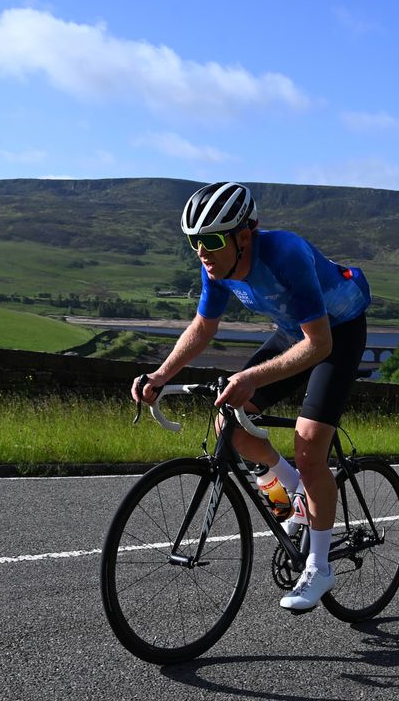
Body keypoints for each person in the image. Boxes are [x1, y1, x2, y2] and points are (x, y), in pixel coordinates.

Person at [131, 181, 371, 612]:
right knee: (230, 422)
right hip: (294, 331)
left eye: (212, 240)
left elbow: (319, 346)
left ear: (245, 235)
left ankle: (319, 566)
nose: (203, 252)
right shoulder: (216, 269)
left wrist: (252, 378)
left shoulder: (285, 254)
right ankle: (295, 491)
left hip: (338, 332)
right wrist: (160, 375)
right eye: (195, 242)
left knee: (310, 443)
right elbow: (204, 327)